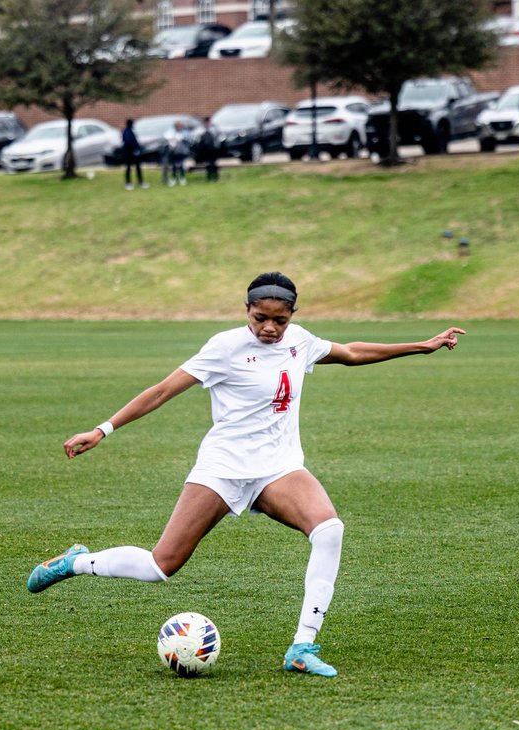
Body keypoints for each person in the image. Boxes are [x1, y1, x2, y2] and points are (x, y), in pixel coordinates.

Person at [29, 272, 467, 677]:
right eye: (261, 318)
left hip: (278, 469)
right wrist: (102, 429)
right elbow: (162, 391)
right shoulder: (224, 347)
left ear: (292, 315)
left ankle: (302, 648)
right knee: (161, 566)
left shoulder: (299, 341)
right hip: (224, 468)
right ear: (247, 311)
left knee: (329, 529)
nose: (270, 328)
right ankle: (76, 562)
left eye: (279, 319)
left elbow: (351, 352)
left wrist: (420, 346)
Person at [121, 118, 147, 191]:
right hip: (129, 153)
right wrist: (135, 149)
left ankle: (140, 182)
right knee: (129, 168)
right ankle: (128, 183)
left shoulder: (130, 131)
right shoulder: (127, 132)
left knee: (137, 167)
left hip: (133, 152)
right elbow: (128, 142)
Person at [164, 120, 189, 186]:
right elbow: (167, 137)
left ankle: (182, 178)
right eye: (178, 126)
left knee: (181, 165)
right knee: (174, 165)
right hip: (173, 151)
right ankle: (174, 178)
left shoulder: (185, 132)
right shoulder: (171, 131)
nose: (179, 128)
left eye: (180, 126)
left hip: (181, 151)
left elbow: (187, 139)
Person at [197, 116, 219, 182]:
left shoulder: (214, 128)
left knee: (213, 163)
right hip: (205, 150)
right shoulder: (201, 129)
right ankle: (209, 176)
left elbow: (217, 138)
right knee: (208, 164)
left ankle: (215, 176)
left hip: (213, 149)